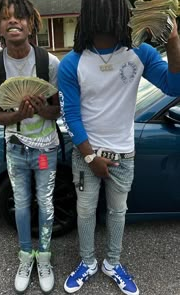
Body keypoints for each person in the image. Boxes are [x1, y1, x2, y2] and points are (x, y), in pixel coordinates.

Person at [58, 0, 180, 294]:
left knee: (118, 212)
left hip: (124, 154)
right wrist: (90, 156)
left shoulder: (141, 53)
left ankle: (112, 263)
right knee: (85, 212)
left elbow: (174, 87)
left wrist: (174, 42)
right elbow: (71, 115)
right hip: (87, 154)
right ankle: (87, 262)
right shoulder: (72, 62)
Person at [0, 0, 60, 293]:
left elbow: (56, 111)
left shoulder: (49, 63)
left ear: (31, 23)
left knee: (47, 202)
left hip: (45, 149)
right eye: (6, 18)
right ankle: (26, 256)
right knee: (22, 204)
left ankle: (45, 258)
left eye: (19, 17)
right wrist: (18, 115)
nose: (13, 22)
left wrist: (40, 109)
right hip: (15, 148)